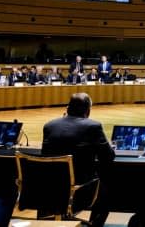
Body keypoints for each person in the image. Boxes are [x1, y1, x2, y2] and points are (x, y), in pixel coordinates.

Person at [42, 93, 114, 227]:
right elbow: (108, 156)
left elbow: (45, 154)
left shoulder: (49, 126)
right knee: (107, 190)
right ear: (88, 110)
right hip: (79, 190)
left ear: (67, 108)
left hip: (49, 187)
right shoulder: (93, 126)